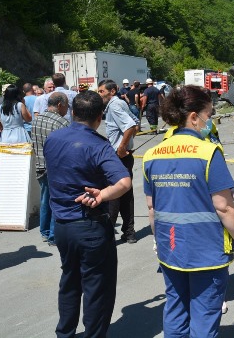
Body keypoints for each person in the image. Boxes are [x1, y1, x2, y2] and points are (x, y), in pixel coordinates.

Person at [143, 85, 234, 337]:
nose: (210, 120)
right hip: (206, 248)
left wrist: (156, 239)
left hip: (169, 245)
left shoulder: (151, 155)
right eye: (209, 114)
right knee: (204, 312)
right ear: (194, 116)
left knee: (175, 307)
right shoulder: (208, 152)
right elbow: (223, 207)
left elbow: (152, 207)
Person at [44, 90, 132, 338]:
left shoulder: (54, 139)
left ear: (72, 112)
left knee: (70, 282)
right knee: (97, 288)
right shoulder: (98, 145)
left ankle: (65, 334)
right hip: (89, 225)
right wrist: (102, 195)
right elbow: (124, 181)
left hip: (62, 225)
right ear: (100, 117)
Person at [97, 79, 139, 243]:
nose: (100, 95)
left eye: (101, 91)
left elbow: (130, 126)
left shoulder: (114, 105)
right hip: (124, 156)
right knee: (126, 194)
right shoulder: (119, 103)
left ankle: (108, 233)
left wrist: (122, 147)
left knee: (113, 194)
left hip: (118, 156)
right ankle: (129, 232)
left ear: (112, 91)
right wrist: (127, 144)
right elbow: (136, 123)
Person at [31, 92, 69, 246]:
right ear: (60, 105)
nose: (67, 109)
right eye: (67, 106)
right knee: (56, 201)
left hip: (40, 165)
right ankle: (54, 235)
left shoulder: (36, 121)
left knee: (45, 199)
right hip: (56, 168)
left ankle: (45, 231)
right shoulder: (61, 123)